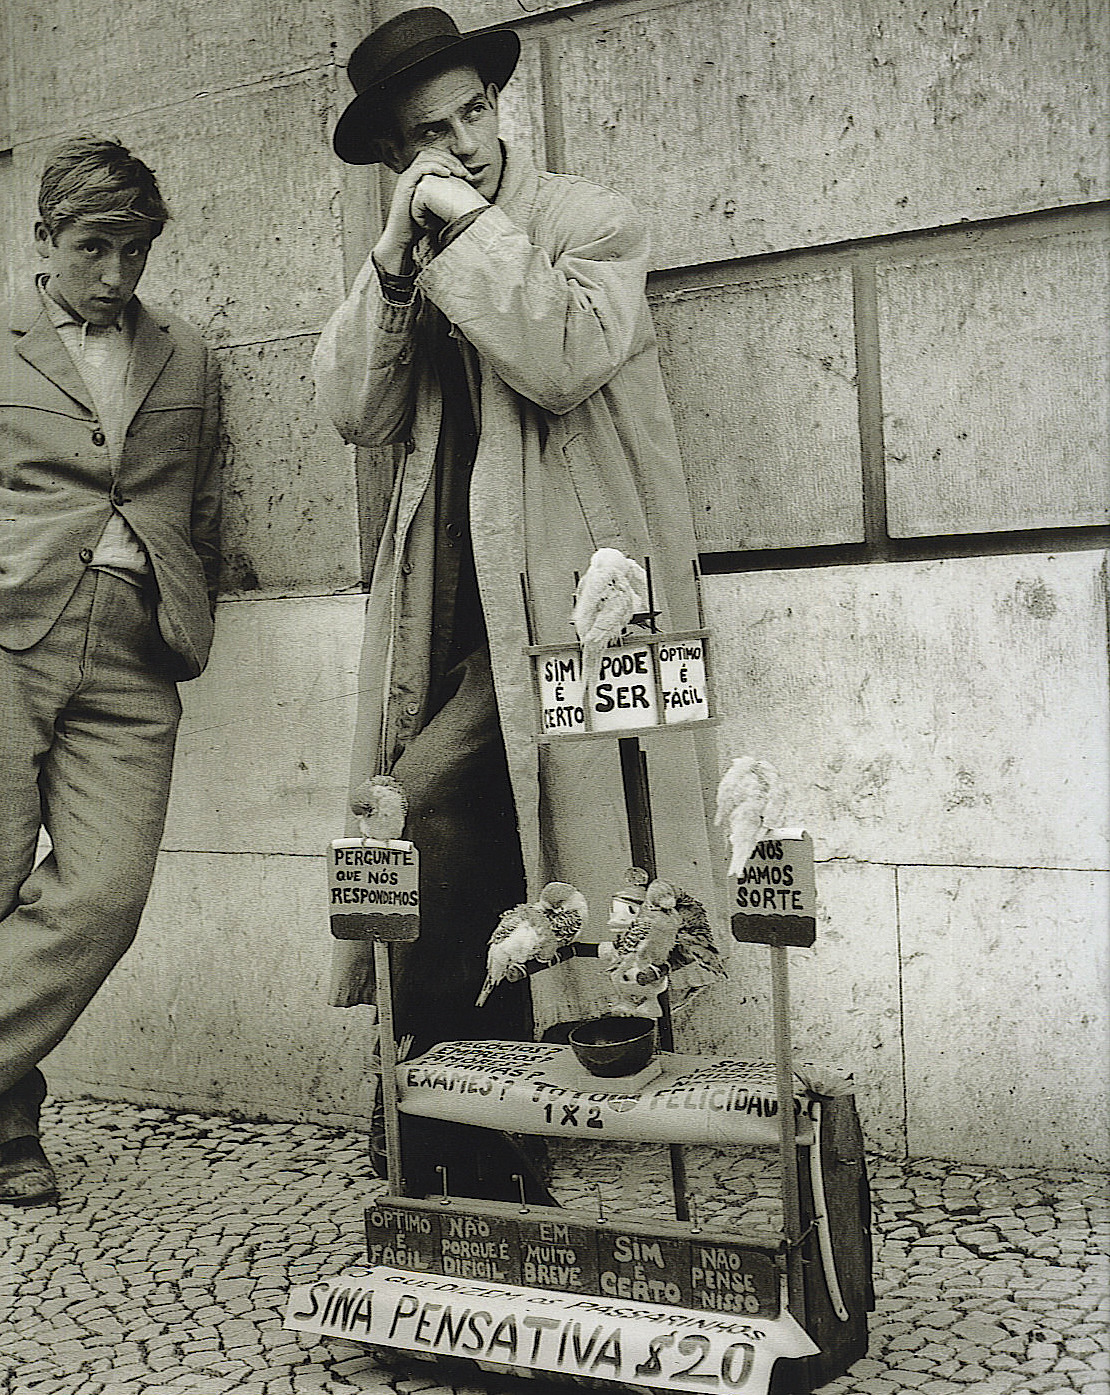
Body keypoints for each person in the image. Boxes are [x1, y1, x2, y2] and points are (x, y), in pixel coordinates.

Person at [315, 8, 716, 1200]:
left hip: (571, 613)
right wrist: (395, 258)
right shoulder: (418, 247)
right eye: (429, 135)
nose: (465, 144)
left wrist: (473, 230)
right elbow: (353, 410)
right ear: (399, 157)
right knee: (459, 848)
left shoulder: (589, 221)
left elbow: (563, 352)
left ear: (500, 109)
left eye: (474, 114)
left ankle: (448, 1127)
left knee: (440, 814)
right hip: (452, 604)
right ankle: (453, 1133)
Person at [0, 137, 221, 1205]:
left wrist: (188, 603)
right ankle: (8, 1130)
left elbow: (202, 499)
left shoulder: (187, 351)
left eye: (134, 250)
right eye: (94, 247)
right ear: (43, 240)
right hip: (6, 636)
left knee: (104, 897)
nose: (116, 275)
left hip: (136, 649)